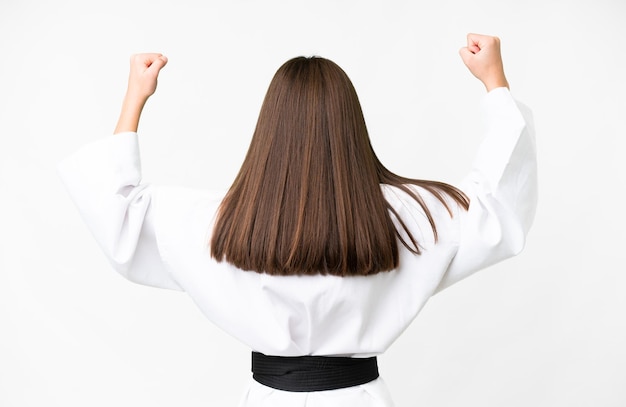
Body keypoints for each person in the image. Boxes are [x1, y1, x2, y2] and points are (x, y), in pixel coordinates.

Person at [58, 33, 537, 406]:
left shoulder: (222, 227)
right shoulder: (408, 220)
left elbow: (117, 212)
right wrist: (495, 83)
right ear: (352, 128)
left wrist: (135, 97)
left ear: (270, 133)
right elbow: (497, 206)